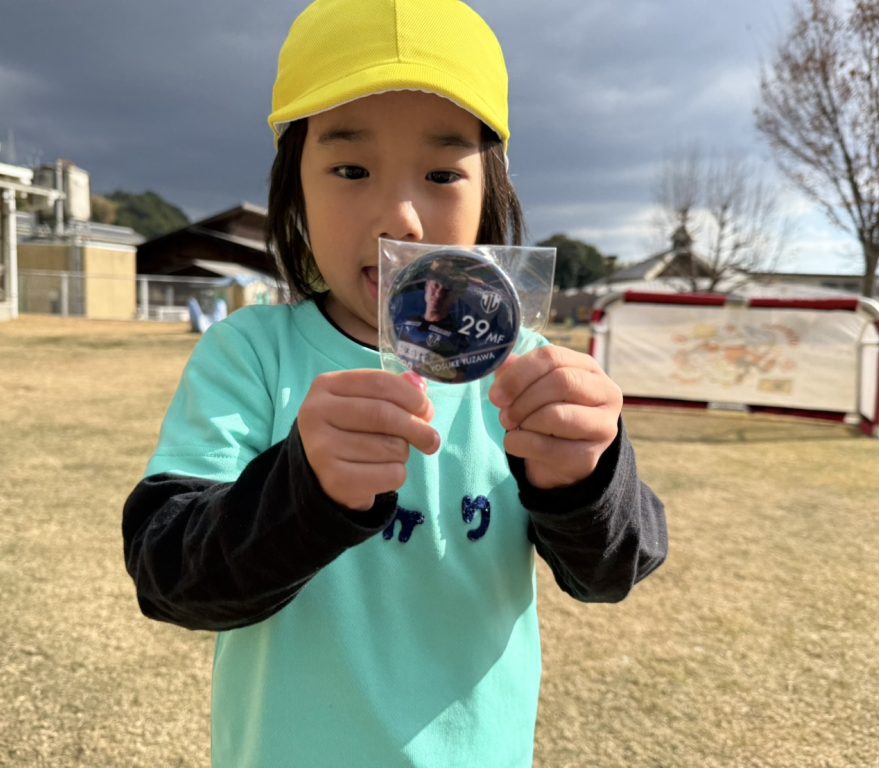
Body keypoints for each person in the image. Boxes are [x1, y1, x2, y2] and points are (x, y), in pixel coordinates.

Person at [122, 1, 668, 766]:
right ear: (295, 190)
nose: (401, 219)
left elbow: (612, 573)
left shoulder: (528, 371)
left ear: (491, 193)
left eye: (443, 174)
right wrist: (302, 491)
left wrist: (586, 479)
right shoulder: (249, 355)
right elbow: (168, 576)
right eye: (350, 170)